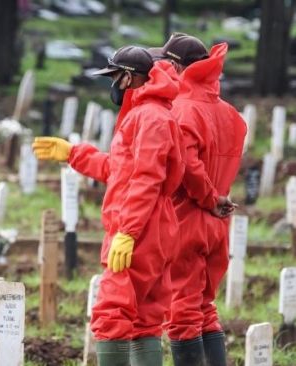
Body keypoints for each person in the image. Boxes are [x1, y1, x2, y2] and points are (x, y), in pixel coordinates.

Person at [32, 46, 184, 365]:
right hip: (152, 224)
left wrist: (127, 232)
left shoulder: (150, 117)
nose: (113, 84)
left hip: (139, 227)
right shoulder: (151, 113)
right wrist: (74, 154)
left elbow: (146, 178)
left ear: (129, 77)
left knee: (112, 312)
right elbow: (120, 169)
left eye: (115, 77)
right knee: (146, 317)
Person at [154, 34, 246, 366]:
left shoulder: (181, 109)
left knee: (181, 308)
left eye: (164, 63)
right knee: (204, 306)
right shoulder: (231, 114)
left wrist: (208, 197)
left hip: (187, 215)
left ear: (177, 66)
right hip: (218, 219)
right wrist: (215, 198)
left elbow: (190, 167)